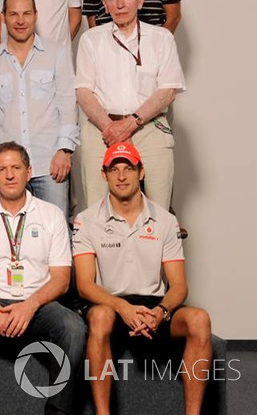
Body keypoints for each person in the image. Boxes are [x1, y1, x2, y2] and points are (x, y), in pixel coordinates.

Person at [73, 143, 212, 415]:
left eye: (128, 168)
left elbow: (179, 285)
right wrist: (123, 308)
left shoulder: (165, 220)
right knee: (100, 316)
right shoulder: (85, 220)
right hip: (110, 308)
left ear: (141, 172)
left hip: (152, 309)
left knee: (199, 319)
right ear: (104, 175)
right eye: (114, 169)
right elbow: (85, 285)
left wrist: (160, 311)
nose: (122, 176)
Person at [0, 142, 86, 415]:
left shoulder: (51, 215)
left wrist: (29, 305)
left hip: (38, 301)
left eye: (16, 168)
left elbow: (61, 278)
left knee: (74, 328)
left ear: (28, 172)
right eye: (2, 169)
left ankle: (58, 411)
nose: (9, 175)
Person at [75, 0, 185, 210]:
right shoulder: (90, 39)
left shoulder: (161, 38)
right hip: (101, 129)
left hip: (150, 128)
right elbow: (83, 91)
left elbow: (168, 90)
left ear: (141, 0)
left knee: (158, 211)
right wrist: (109, 128)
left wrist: (130, 124)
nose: (120, 4)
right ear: (104, 5)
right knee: (96, 210)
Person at [0, 0, 78, 220]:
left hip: (50, 164)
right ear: (3, 17)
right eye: (13, 14)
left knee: (57, 231)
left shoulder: (57, 54)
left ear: (36, 16)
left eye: (26, 14)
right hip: (7, 169)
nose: (20, 21)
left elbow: (68, 104)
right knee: (9, 235)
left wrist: (65, 149)